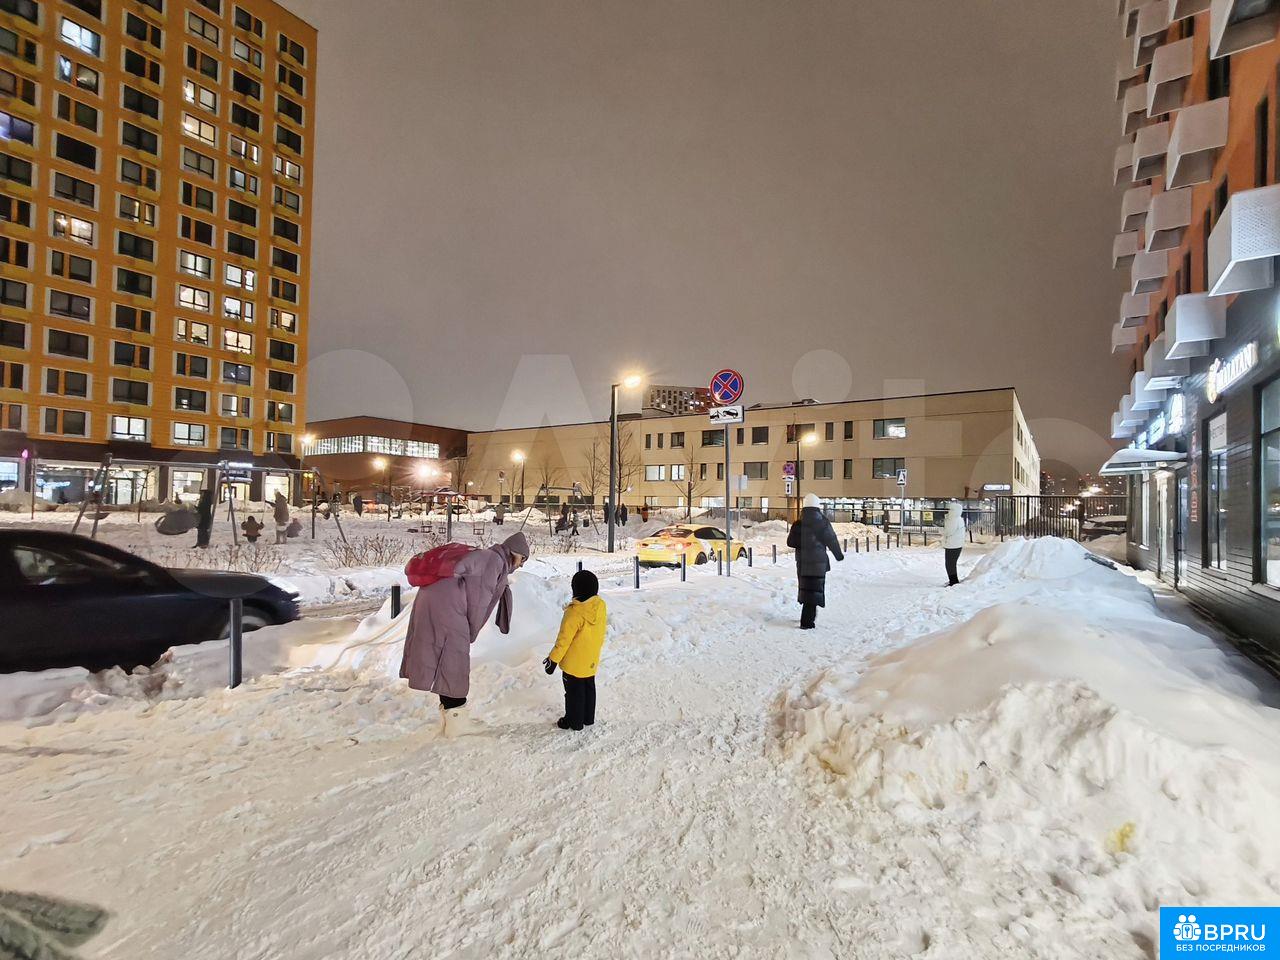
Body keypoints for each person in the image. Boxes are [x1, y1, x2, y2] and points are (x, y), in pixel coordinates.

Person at [400, 532, 530, 736]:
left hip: (433, 602)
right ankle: (457, 724)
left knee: (445, 662)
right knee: (454, 662)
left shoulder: (486, 556)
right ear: (515, 553)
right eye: (523, 559)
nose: (521, 565)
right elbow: (479, 600)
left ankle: (449, 717)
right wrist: (471, 630)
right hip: (449, 608)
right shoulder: (494, 561)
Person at [543, 570, 607, 730]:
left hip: (573, 665)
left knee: (573, 694)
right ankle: (587, 718)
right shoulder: (600, 606)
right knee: (589, 689)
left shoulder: (574, 613)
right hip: (591, 660)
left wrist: (552, 660)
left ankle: (574, 722)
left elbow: (563, 641)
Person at [786, 493, 843, 629]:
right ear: (817, 506)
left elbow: (790, 542)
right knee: (814, 590)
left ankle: (807, 618)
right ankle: (807, 621)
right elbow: (831, 540)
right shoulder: (823, 522)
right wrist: (838, 555)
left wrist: (803, 540)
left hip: (803, 563)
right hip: (818, 563)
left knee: (806, 589)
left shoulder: (798, 524)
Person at [942, 501, 966, 586]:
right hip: (956, 545)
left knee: (949, 564)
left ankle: (953, 581)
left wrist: (941, 530)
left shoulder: (953, 520)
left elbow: (948, 532)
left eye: (950, 509)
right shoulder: (959, 519)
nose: (949, 511)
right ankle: (953, 580)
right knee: (951, 564)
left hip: (952, 545)